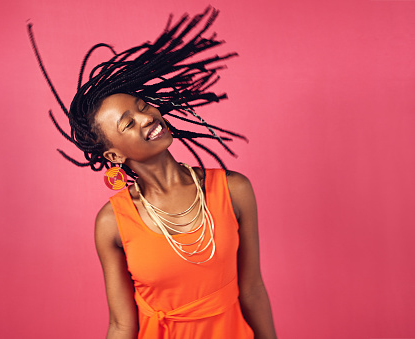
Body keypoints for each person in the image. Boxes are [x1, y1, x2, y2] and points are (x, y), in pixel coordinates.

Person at [29, 7, 277, 339]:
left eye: (143, 106)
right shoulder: (112, 223)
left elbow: (252, 289)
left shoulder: (233, 189)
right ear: (114, 154)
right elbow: (121, 324)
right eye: (128, 123)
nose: (147, 118)